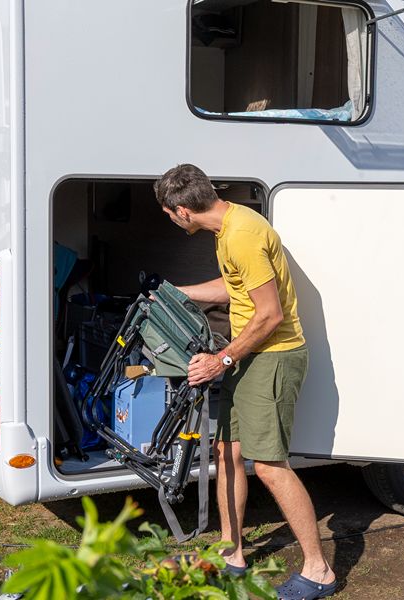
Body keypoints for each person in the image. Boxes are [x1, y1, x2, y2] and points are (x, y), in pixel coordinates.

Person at [154, 164, 337, 599]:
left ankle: (319, 571)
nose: (172, 220)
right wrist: (179, 291)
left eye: (168, 215)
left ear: (182, 211)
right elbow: (235, 288)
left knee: (271, 466)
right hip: (249, 357)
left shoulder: (242, 235)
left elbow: (269, 314)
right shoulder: (230, 226)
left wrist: (221, 359)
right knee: (228, 452)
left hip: (272, 358)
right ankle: (230, 552)